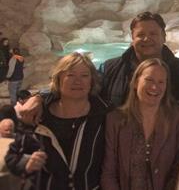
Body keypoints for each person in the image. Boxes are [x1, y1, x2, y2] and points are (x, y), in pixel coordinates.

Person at [20, 11, 179, 123]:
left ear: (164, 37)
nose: (146, 39)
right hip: (117, 148)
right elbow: (81, 84)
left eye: (153, 34)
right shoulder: (111, 68)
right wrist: (39, 97)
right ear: (132, 38)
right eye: (140, 35)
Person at [5, 52, 109, 189]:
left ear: (92, 81)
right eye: (70, 75)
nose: (78, 81)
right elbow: (14, 155)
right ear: (58, 79)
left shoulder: (104, 116)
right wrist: (26, 163)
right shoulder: (37, 116)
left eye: (84, 76)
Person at [101, 58, 179, 190]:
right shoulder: (115, 120)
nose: (155, 87)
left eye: (161, 82)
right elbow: (109, 173)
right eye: (149, 80)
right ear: (136, 82)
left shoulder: (178, 118)